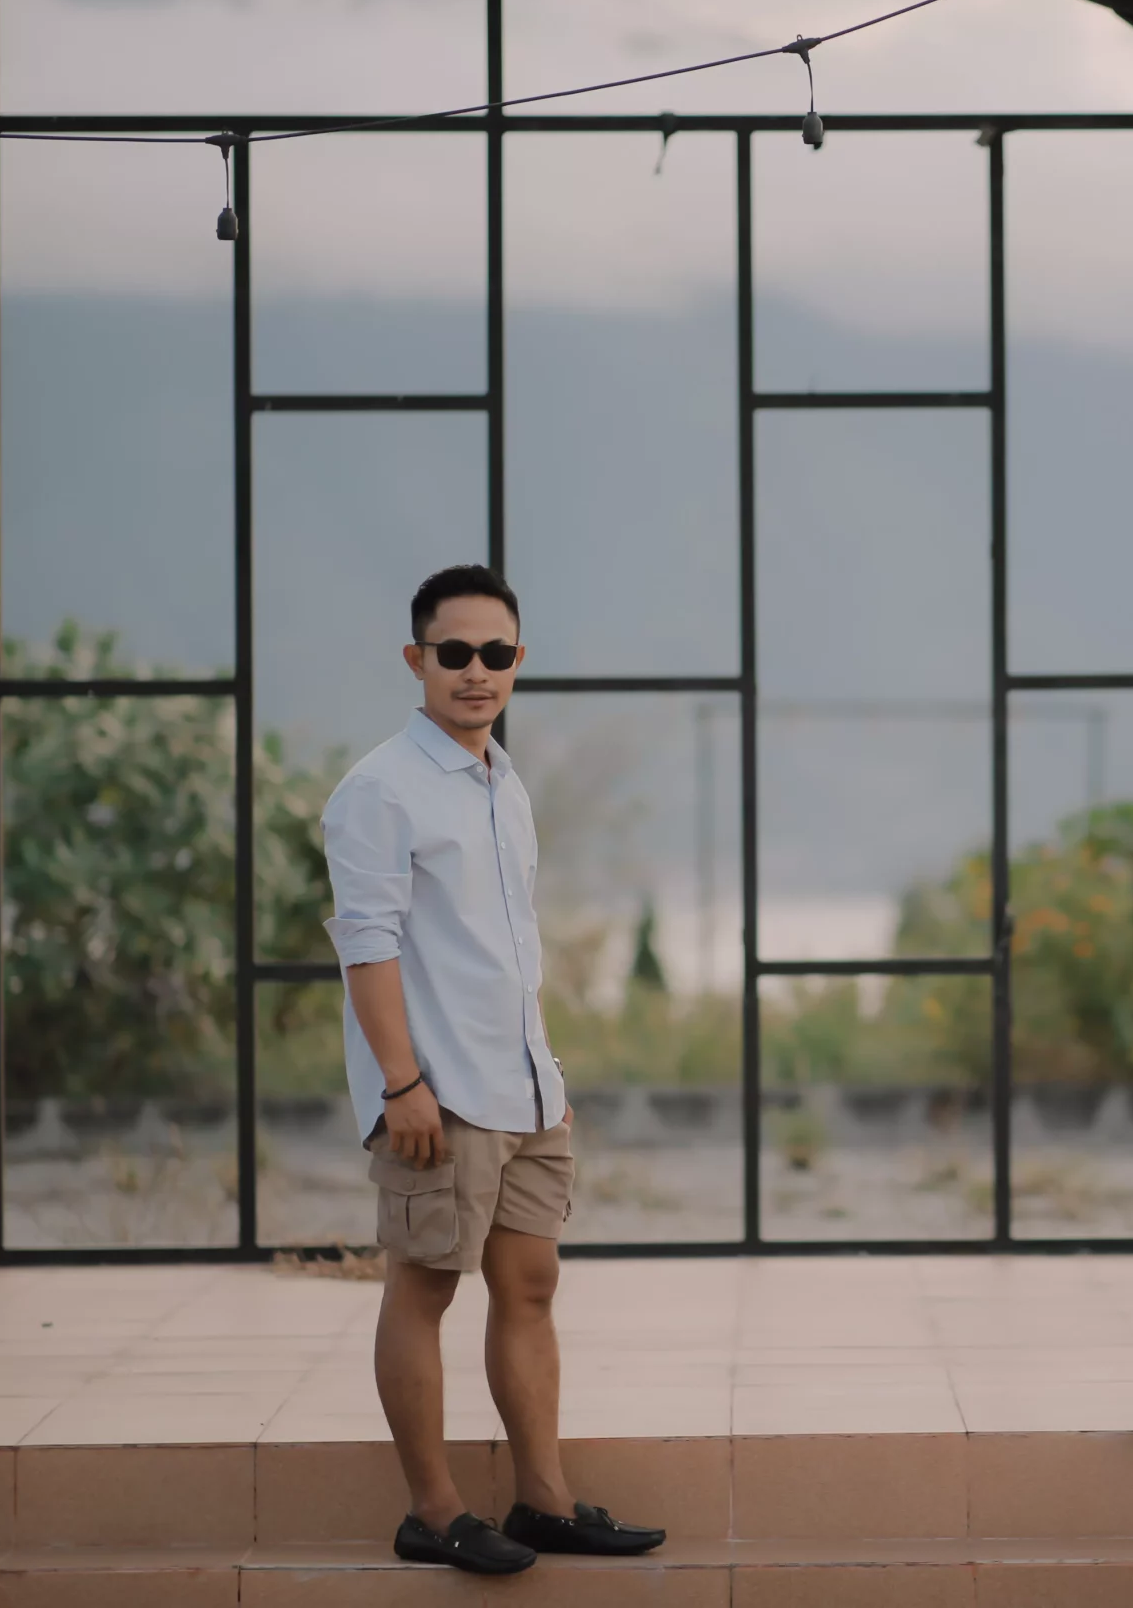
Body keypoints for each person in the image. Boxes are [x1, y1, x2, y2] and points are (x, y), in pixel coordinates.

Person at [321, 564, 665, 1573]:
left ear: (519, 660)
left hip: (523, 1090)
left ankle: (543, 1502)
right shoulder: (380, 789)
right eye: (456, 652)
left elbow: (507, 948)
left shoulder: (500, 782)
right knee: (423, 1285)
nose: (477, 670)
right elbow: (368, 947)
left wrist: (545, 1075)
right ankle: (432, 1512)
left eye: (497, 652)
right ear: (416, 659)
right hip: (437, 1092)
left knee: (531, 1285)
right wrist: (400, 1083)